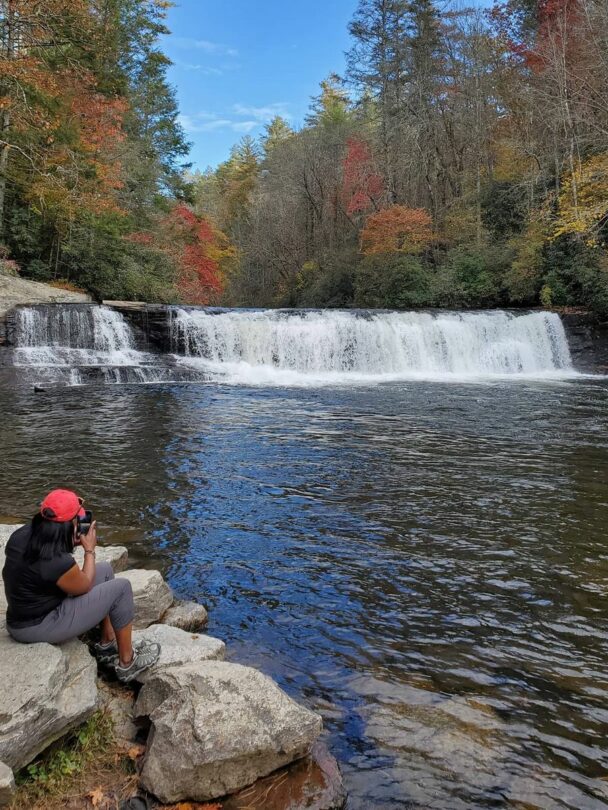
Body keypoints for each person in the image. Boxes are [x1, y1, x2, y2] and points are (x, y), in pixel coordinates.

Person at [1, 489, 160, 683]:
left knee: (105, 571)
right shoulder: (56, 561)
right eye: (78, 520)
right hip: (38, 625)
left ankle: (106, 644)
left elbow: (44, 571)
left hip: (23, 615)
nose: (81, 523)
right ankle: (127, 662)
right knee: (122, 588)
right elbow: (83, 585)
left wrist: (70, 538)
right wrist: (89, 550)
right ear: (68, 526)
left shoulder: (22, 535)